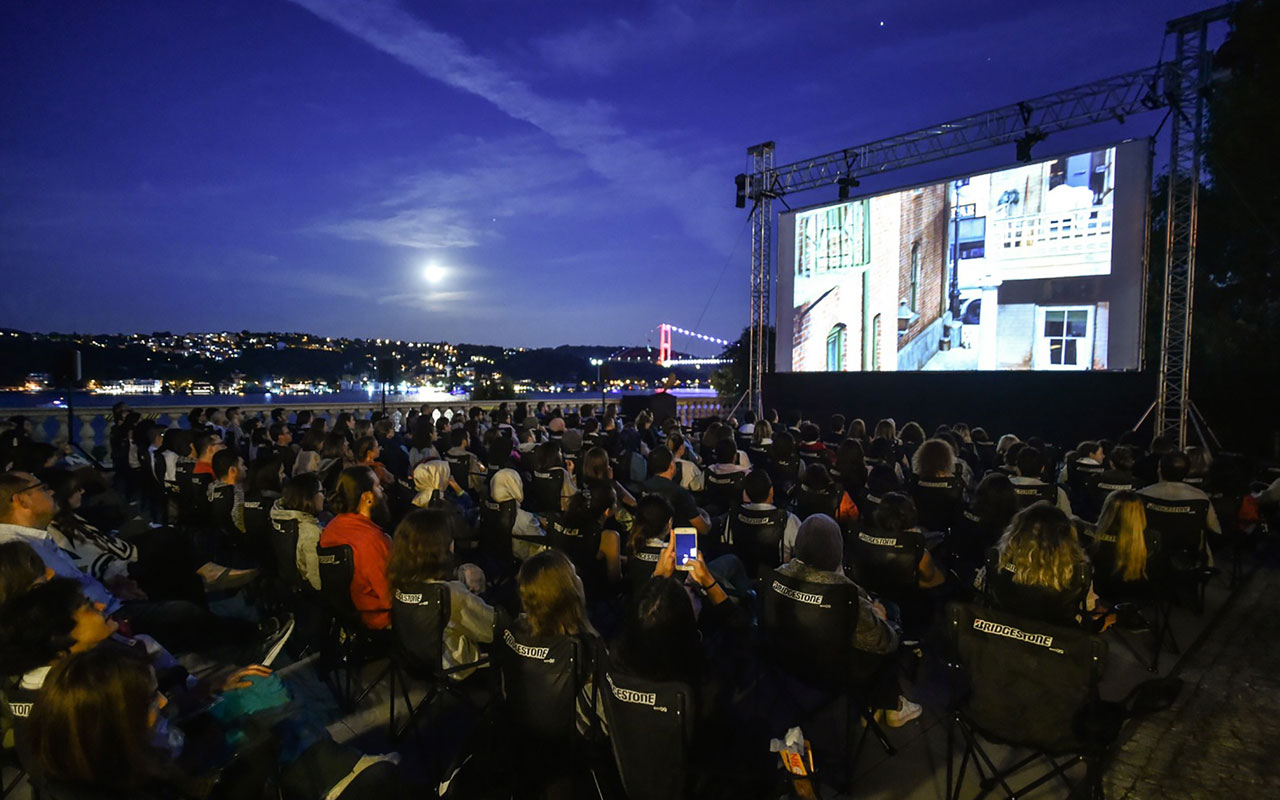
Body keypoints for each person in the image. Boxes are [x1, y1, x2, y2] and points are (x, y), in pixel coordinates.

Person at [775, 515, 921, 726]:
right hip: (832, 669)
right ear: (836, 551)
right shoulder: (845, 593)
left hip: (790, 661)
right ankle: (891, 705)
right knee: (890, 619)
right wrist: (881, 618)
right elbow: (882, 642)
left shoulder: (778, 575)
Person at [387, 508, 496, 680]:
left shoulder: (398, 580)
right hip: (451, 668)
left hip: (409, 659)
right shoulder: (450, 593)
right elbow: (491, 629)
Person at [988, 502, 1102, 629]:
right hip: (1057, 641)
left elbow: (983, 589)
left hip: (1002, 635)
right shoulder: (1079, 573)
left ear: (1016, 532)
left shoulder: (997, 560)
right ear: (1068, 537)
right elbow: (1089, 606)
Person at [320, 467, 393, 630]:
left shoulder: (330, 529)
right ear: (367, 497)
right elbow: (388, 597)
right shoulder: (371, 539)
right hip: (377, 620)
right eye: (377, 486)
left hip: (345, 618)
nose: (381, 490)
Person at [270, 473, 327, 591]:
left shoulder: (281, 518)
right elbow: (316, 581)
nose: (324, 497)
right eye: (321, 492)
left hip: (288, 586)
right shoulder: (310, 532)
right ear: (309, 497)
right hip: (308, 594)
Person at [642, 447, 710, 536]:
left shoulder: (643, 487)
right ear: (671, 466)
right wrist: (706, 516)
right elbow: (703, 528)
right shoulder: (680, 493)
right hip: (678, 540)